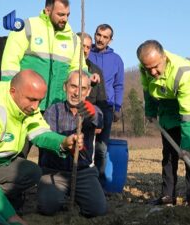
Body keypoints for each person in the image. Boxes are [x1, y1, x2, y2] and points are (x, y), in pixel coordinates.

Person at [0, 69, 84, 225]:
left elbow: (39, 131)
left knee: (30, 172)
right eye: (31, 100)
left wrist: (63, 142)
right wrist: (11, 217)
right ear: (13, 91)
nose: (36, 107)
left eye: (39, 101)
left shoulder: (26, 103)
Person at [137, 40, 190, 208]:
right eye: (148, 68)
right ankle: (168, 195)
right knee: (168, 152)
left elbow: (188, 113)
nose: (152, 72)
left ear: (164, 57)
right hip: (166, 104)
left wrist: (186, 144)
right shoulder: (144, 67)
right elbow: (148, 90)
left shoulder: (185, 73)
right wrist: (150, 111)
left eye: (156, 66)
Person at [0, 0, 99, 111]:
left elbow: (77, 68)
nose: (65, 19)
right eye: (61, 14)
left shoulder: (74, 39)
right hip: (27, 106)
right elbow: (9, 65)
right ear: (48, 11)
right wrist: (11, 98)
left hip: (58, 109)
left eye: (67, 15)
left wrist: (88, 76)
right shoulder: (26, 27)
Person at [37, 71, 107, 217]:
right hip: (54, 172)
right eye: (73, 86)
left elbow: (98, 119)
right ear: (65, 87)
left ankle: (77, 196)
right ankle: (59, 196)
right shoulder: (52, 111)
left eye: (82, 89)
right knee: (47, 208)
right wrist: (66, 143)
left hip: (83, 172)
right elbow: (46, 140)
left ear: (88, 91)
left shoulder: (93, 111)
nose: (77, 93)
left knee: (97, 210)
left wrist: (91, 112)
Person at [88, 24, 125, 186]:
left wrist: (117, 108)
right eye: (98, 35)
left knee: (102, 148)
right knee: (84, 144)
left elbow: (119, 85)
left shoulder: (116, 60)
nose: (100, 39)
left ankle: (99, 184)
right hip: (86, 105)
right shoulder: (86, 53)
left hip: (106, 106)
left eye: (105, 37)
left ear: (111, 39)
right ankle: (83, 181)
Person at [76, 32, 107, 109]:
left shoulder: (96, 71)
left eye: (88, 47)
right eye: (82, 46)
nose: (85, 51)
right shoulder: (65, 66)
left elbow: (101, 100)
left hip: (89, 117)